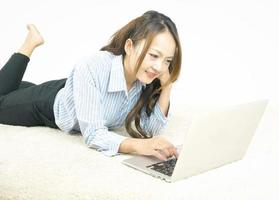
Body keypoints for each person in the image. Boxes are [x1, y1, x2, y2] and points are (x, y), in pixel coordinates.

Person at [0, 10, 182, 161]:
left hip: (77, 90)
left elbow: (151, 130)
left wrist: (167, 87)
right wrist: (140, 146)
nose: (159, 67)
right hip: (47, 104)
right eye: (154, 55)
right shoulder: (92, 66)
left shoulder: (143, 80)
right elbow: (93, 135)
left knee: (11, 90)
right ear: (129, 47)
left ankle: (19, 86)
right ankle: (30, 43)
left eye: (167, 61)